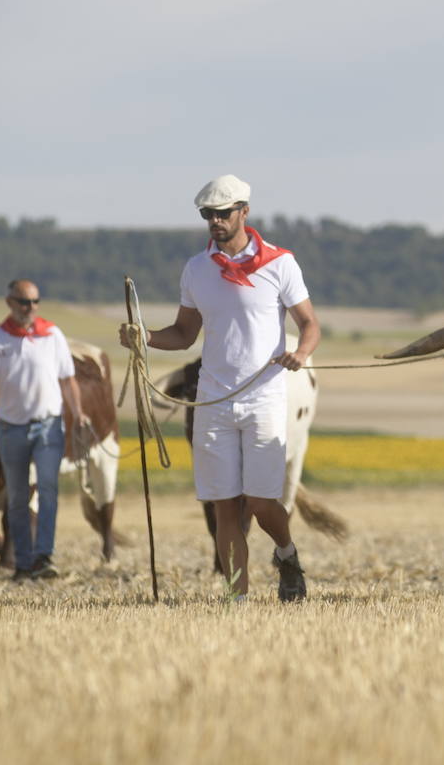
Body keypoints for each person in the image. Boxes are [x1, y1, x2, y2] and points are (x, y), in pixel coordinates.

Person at [120, 174, 321, 602]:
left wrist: (301, 353)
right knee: (224, 506)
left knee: (263, 504)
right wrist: (144, 337)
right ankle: (238, 601)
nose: (214, 221)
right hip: (211, 400)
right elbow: (183, 333)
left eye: (222, 213)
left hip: (264, 397)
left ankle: (286, 554)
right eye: (207, 214)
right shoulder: (196, 269)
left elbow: (309, 324)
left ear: (244, 212)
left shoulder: (280, 263)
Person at [0, 279, 90, 582]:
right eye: (25, 302)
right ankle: (22, 563)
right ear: (9, 302)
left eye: (35, 302)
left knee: (48, 492)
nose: (31, 308)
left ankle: (43, 557)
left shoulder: (52, 334)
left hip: (48, 427)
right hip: (10, 428)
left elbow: (67, 379)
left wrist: (78, 414)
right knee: (16, 497)